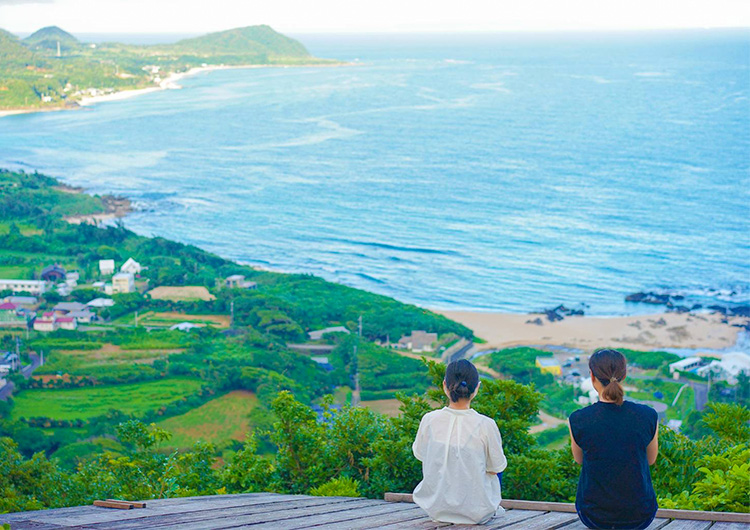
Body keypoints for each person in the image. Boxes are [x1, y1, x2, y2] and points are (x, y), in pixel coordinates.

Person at [569, 348, 659, 530]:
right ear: (624, 375)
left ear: (592, 376)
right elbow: (651, 460)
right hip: (640, 515)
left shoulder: (578, 419)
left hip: (593, 515)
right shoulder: (648, 415)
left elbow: (579, 459)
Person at [412, 359, 507, 525]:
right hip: (478, 512)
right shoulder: (486, 424)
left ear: (444, 386)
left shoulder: (429, 419)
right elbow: (496, 468)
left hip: (435, 508)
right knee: (495, 468)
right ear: (476, 388)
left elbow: (421, 455)